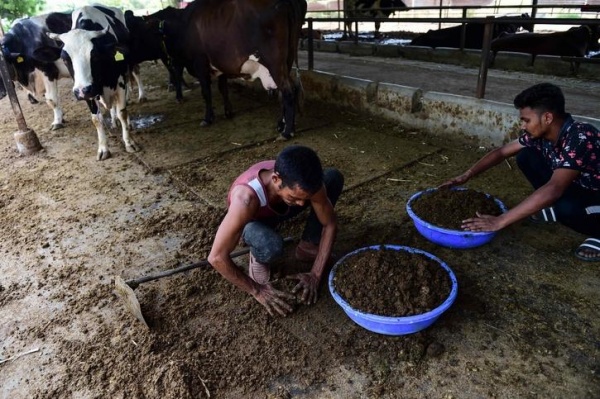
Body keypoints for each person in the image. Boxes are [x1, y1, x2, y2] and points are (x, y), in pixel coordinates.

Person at [441, 82, 600, 262]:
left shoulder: (580, 137)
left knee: (567, 209)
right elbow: (501, 152)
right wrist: (466, 175)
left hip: (596, 195)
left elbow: (554, 188)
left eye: (526, 120)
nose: (523, 126)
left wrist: (500, 221)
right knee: (526, 156)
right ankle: (558, 209)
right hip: (576, 186)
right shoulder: (543, 134)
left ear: (547, 118)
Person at [207, 145, 344, 316]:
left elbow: (329, 224)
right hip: (253, 219)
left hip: (281, 206)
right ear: (276, 179)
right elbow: (216, 257)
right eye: (295, 197)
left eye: (305, 199)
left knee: (333, 177)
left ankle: (308, 245)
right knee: (271, 246)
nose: (302, 204)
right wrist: (257, 291)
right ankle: (258, 254)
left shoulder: (306, 186)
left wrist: (316, 274)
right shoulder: (245, 199)